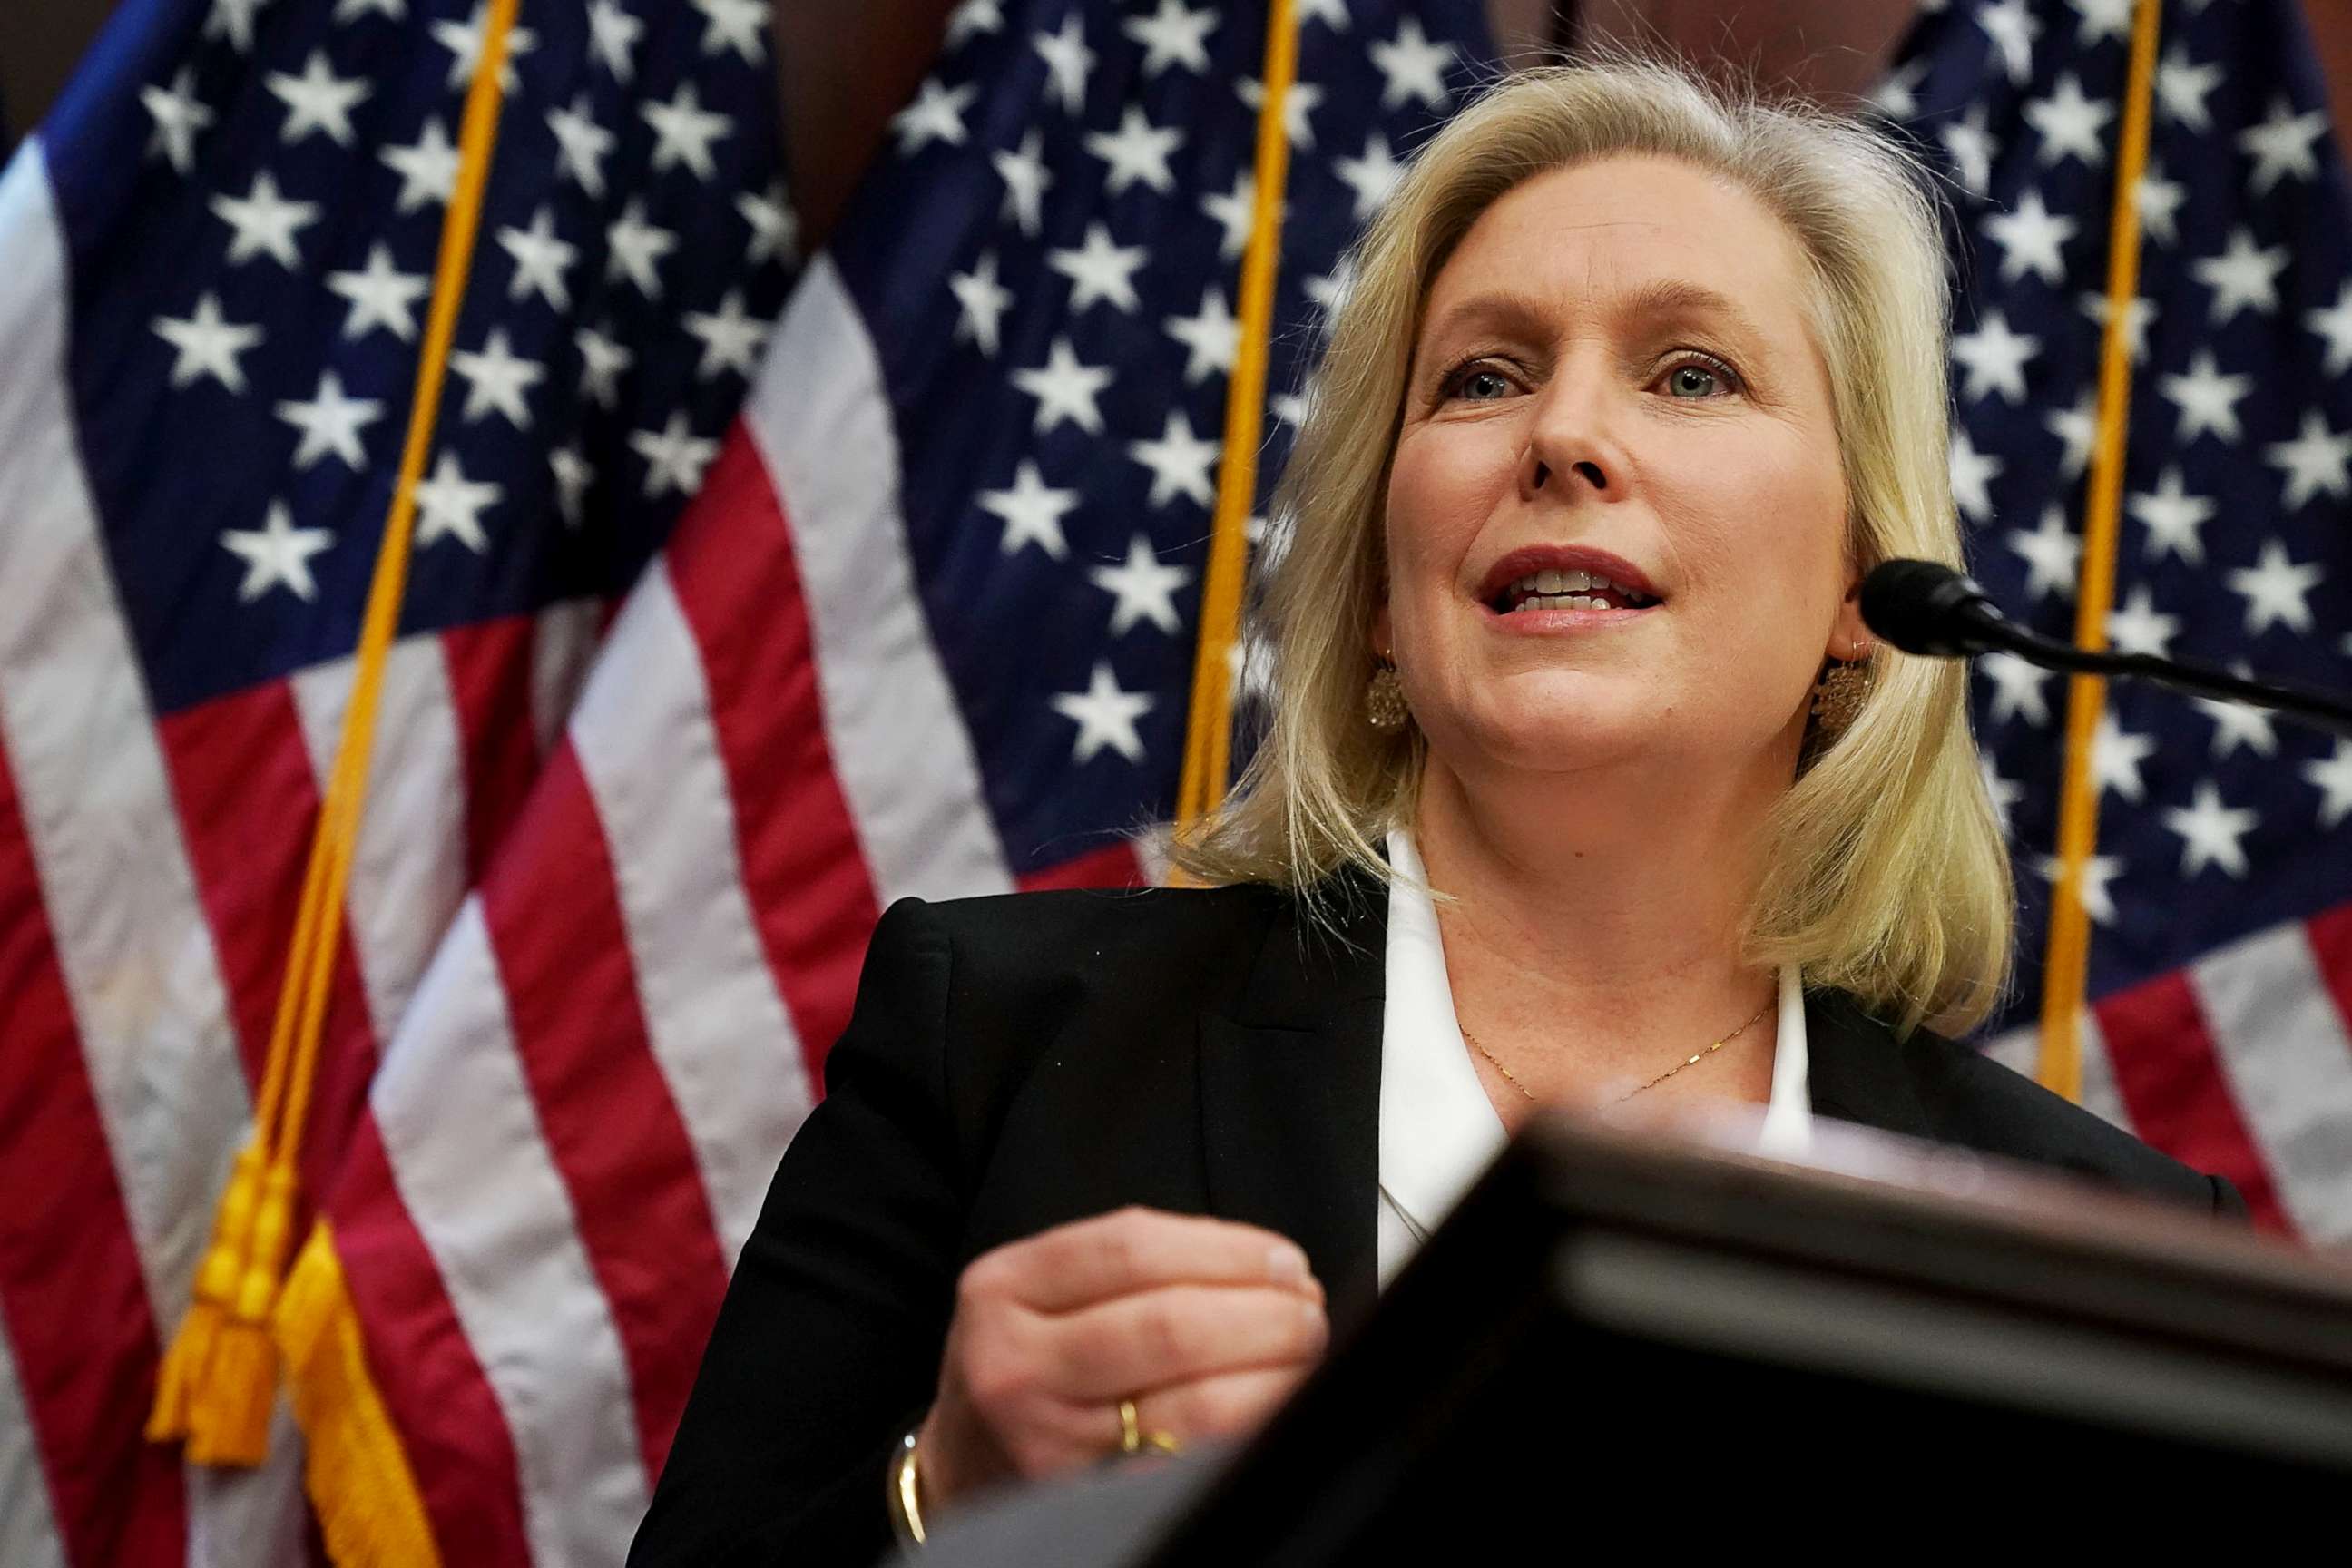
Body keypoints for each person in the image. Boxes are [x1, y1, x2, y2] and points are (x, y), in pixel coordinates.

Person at [629, 54, 2243, 1565]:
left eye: (1691, 373)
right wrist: (950, 1499)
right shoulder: (995, 1044)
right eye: (1483, 375)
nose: (1563, 437)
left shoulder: (2117, 1251)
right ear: (1389, 603)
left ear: (1858, 587)